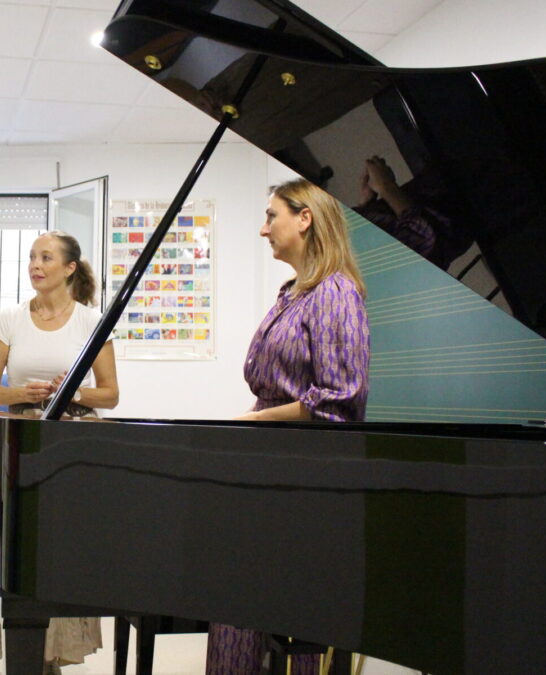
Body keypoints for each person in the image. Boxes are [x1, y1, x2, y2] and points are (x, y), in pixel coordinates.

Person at [206, 178, 370, 675]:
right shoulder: (293, 292)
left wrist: (255, 419)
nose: (263, 229)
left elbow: (340, 398)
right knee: (239, 605)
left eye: (271, 216)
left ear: (305, 218)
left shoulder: (336, 292)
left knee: (293, 615)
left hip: (306, 479)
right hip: (271, 468)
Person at [0, 231, 120, 674]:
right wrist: (22, 391)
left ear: (70, 268)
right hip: (18, 443)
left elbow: (110, 395)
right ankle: (3, 649)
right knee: (10, 549)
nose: (36, 265)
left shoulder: (91, 321)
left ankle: (51, 654)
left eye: (46, 257)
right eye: (32, 257)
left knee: (60, 549)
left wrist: (73, 392)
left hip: (72, 447)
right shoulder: (9, 320)